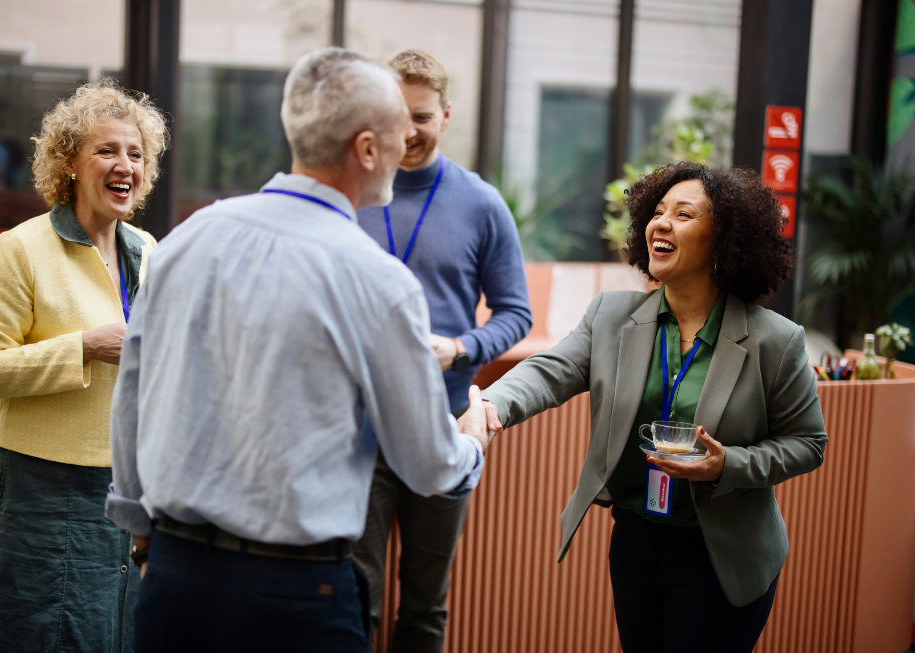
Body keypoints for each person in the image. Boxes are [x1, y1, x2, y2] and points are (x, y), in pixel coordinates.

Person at [104, 48, 494, 653]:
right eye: (398, 132)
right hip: (297, 598)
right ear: (368, 149)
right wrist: (471, 441)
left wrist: (144, 541)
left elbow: (131, 396)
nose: (406, 146)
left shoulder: (189, 238)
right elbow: (427, 466)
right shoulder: (379, 282)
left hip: (174, 582)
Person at [480, 162, 828, 653]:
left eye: (683, 214)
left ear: (724, 240)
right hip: (635, 545)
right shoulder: (610, 315)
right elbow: (549, 371)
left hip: (720, 555)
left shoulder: (777, 340)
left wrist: (727, 465)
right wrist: (491, 404)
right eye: (658, 211)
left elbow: (808, 443)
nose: (660, 223)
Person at [0, 79, 166, 653]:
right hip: (40, 492)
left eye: (135, 154)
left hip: (128, 488)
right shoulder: (18, 250)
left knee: (122, 636)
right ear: (69, 162)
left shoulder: (148, 249)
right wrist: (84, 347)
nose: (125, 165)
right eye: (107, 150)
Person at [352, 49, 531, 651]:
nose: (408, 130)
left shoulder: (481, 203)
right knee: (355, 593)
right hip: (360, 426)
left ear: (446, 116)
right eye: (396, 113)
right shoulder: (349, 191)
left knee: (425, 604)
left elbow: (516, 313)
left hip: (445, 424)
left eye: (422, 117)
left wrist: (459, 348)